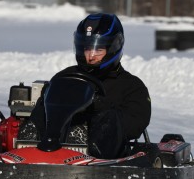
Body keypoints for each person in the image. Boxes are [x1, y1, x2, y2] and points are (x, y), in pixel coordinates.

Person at [19, 13, 151, 159]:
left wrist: (99, 107)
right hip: (53, 145)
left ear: (114, 47)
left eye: (98, 50)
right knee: (46, 104)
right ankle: (28, 143)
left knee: (110, 117)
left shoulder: (132, 86)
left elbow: (134, 126)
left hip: (103, 155)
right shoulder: (64, 77)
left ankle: (80, 142)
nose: (91, 56)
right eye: (87, 49)